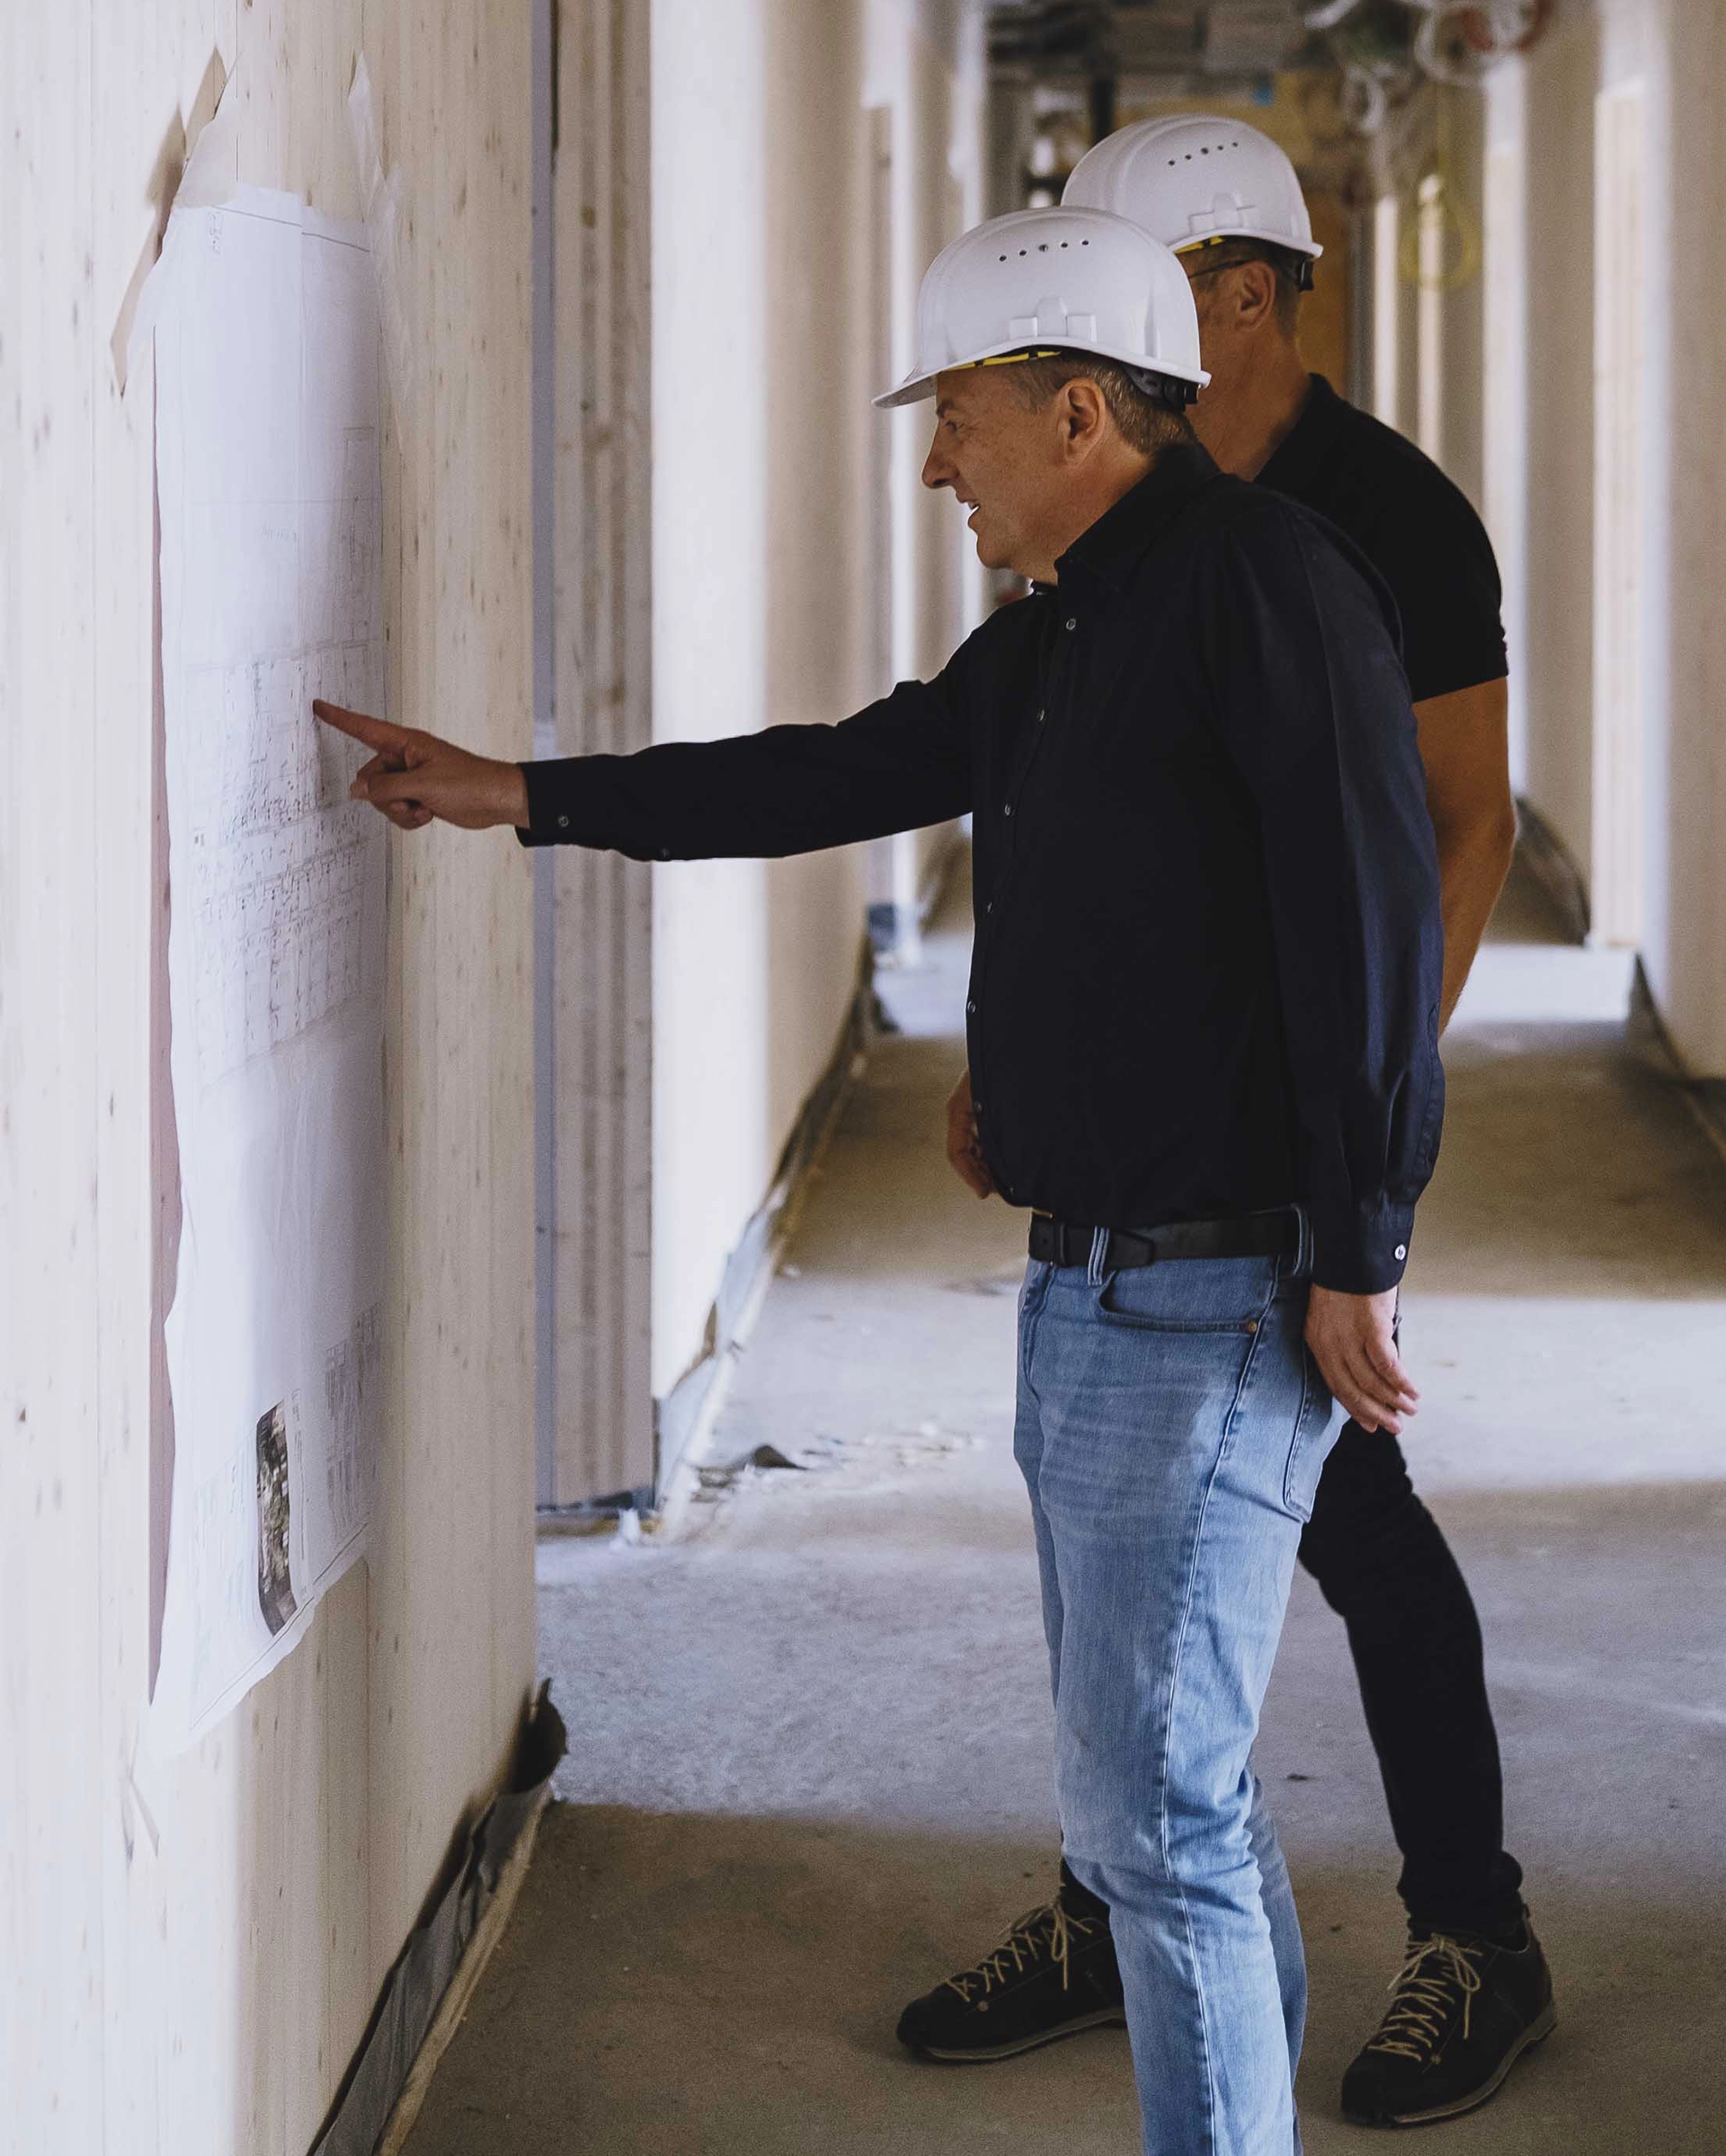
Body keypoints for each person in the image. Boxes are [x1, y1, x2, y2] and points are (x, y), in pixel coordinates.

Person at [318, 202, 1445, 2155]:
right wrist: (527, 791)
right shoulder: (1065, 629)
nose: (937, 462)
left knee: (1153, 1813)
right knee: (1171, 1792)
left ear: (1080, 408)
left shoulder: (1267, 583)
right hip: (1095, 1295)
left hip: (1209, 1299)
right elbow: (839, 773)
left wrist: (1361, 1244)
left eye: (961, 423)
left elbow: (1364, 916)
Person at [905, 117, 1553, 2133]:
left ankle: (1473, 1929)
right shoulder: (1109, 547)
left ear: (1239, 295)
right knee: (1162, 1627)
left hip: (1283, 1162)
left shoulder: (1376, 522)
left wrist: (1350, 1149)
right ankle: (1134, 1900)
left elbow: (1445, 832)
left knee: (1354, 1519)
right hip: (1161, 1153)